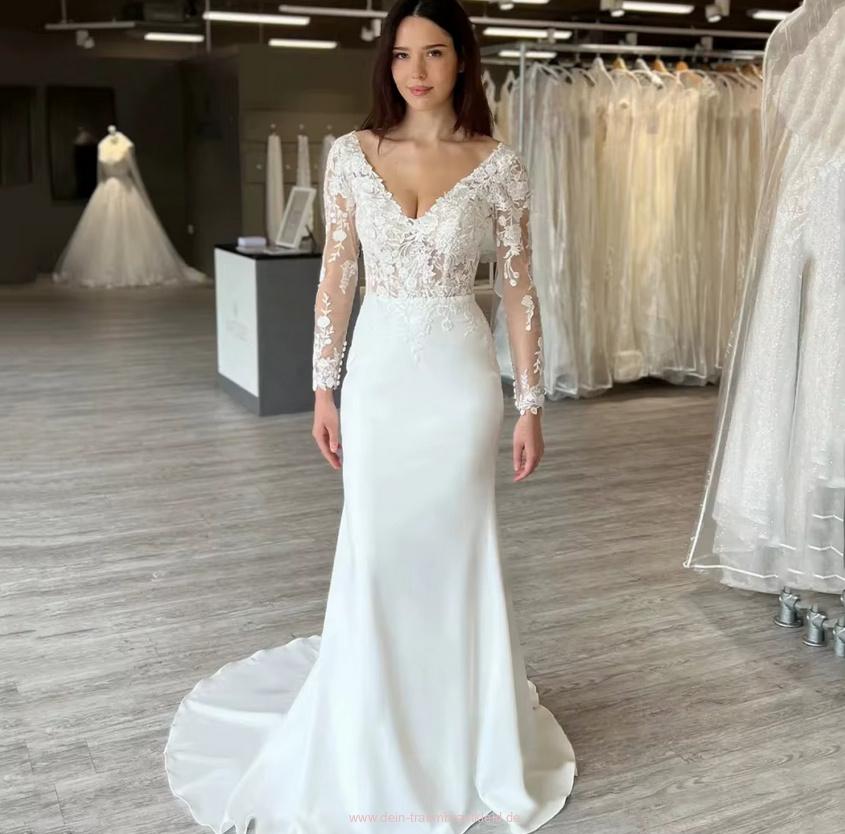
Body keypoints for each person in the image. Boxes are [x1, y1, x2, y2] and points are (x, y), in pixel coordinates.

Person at [163, 2, 577, 833]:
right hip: (379, 380)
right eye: (400, 55)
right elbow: (337, 273)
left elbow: (519, 289)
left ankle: (461, 734)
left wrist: (530, 402)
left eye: (434, 53)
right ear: (385, 65)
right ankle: (374, 733)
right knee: (379, 550)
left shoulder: (497, 164)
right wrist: (324, 386)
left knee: (457, 549)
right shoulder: (351, 155)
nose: (416, 71)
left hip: (459, 383)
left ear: (463, 61)